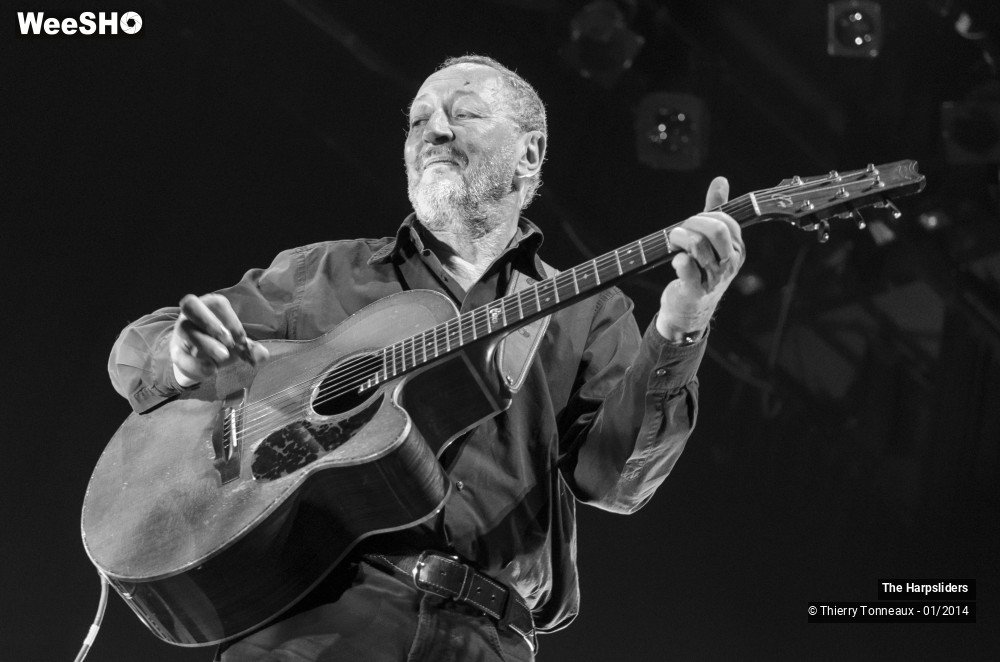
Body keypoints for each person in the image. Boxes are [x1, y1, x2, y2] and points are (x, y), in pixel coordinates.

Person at [108, 54, 744, 661]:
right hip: (309, 624)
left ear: (529, 154)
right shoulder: (325, 273)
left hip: (486, 637)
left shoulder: (589, 312)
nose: (434, 130)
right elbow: (139, 345)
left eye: (464, 113)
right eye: (418, 120)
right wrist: (183, 359)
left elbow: (618, 482)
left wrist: (685, 319)